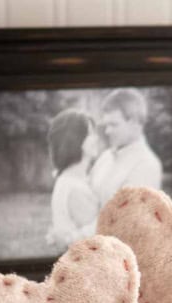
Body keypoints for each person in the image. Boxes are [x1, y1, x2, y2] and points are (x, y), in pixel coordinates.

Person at [89, 88, 163, 206]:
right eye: (106, 125)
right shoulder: (105, 157)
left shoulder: (146, 165)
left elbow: (131, 217)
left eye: (113, 125)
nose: (107, 131)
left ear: (134, 123)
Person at [46, 109, 100, 251]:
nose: (96, 138)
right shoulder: (75, 188)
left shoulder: (69, 179)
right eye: (91, 134)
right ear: (76, 140)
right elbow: (99, 240)